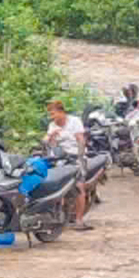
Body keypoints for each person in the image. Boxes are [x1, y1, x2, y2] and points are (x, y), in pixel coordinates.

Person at [44, 99, 92, 231]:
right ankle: (59, 215)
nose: (52, 117)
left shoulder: (74, 121)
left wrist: (81, 157)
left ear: (61, 112)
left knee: (78, 187)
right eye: (50, 115)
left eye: (53, 114)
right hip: (60, 158)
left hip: (75, 156)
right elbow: (48, 143)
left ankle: (79, 219)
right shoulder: (52, 126)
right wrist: (51, 137)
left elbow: (81, 140)